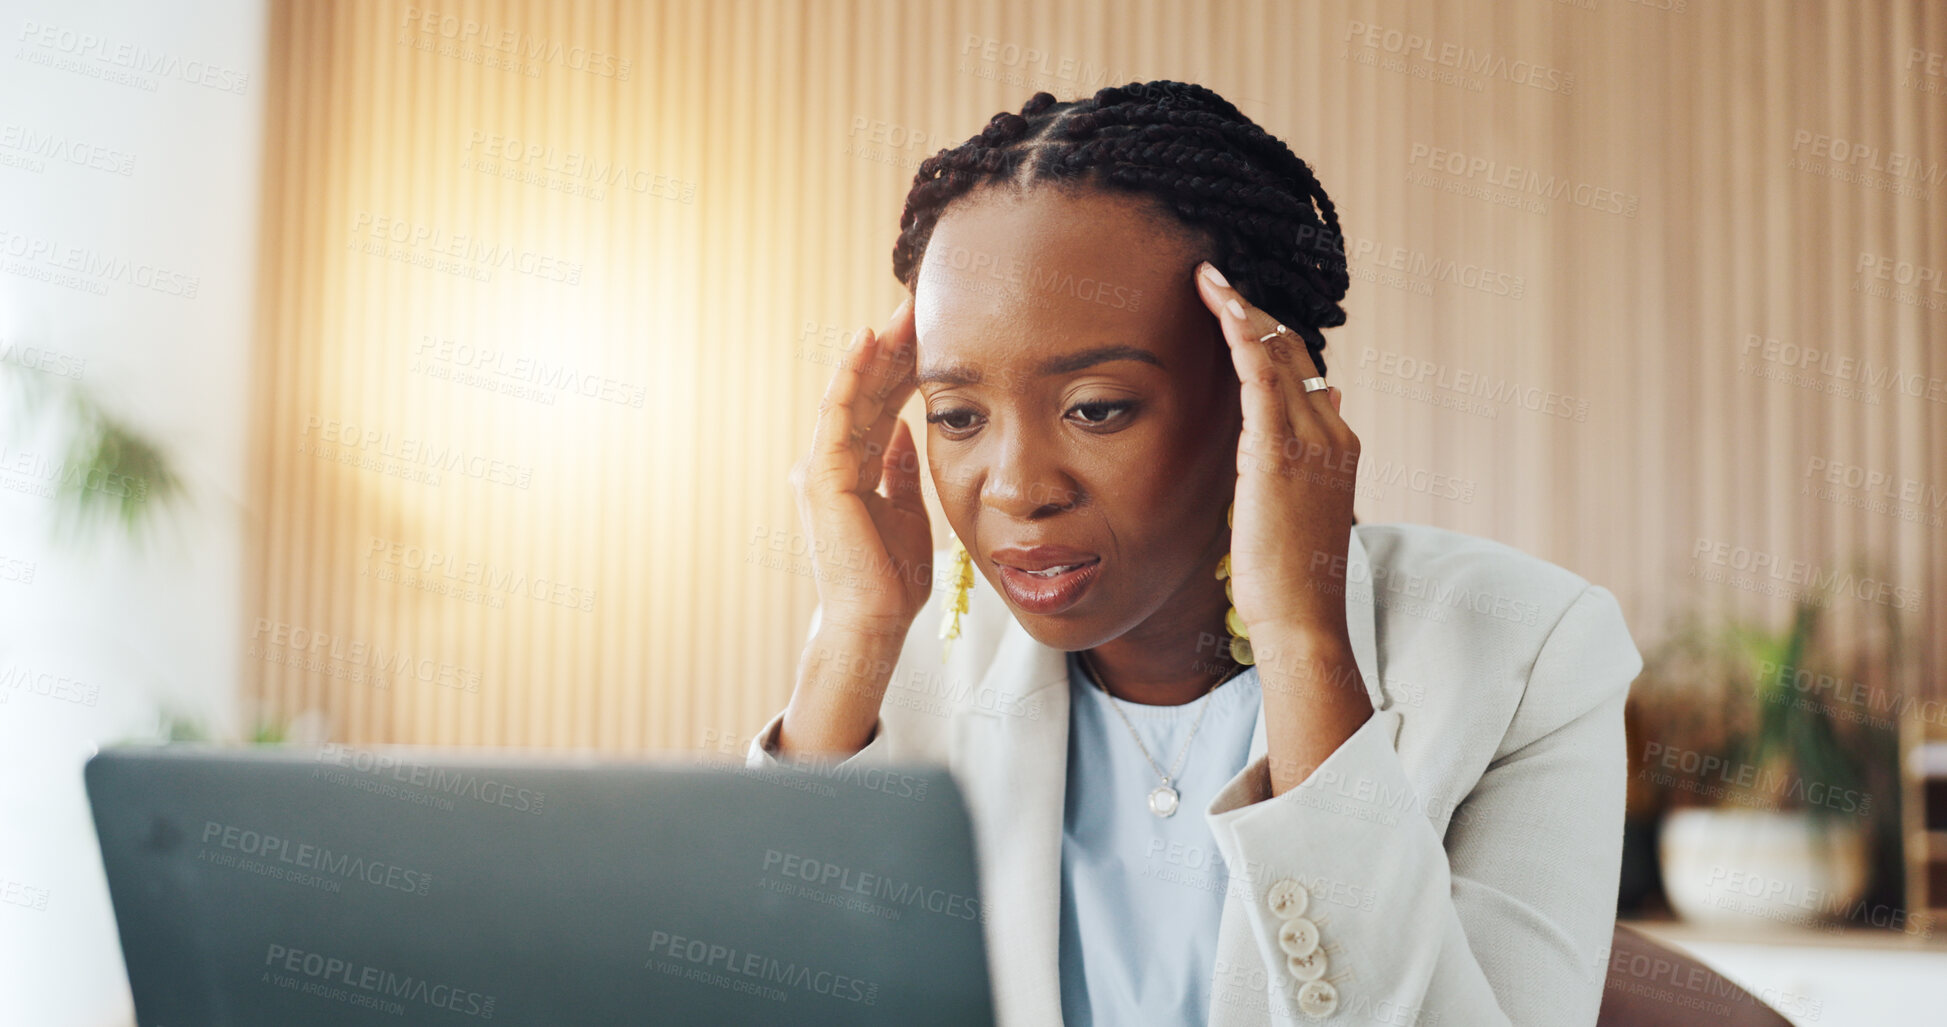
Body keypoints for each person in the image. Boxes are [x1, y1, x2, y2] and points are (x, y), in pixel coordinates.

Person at [746, 80, 1643, 1027]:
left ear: (1261, 394)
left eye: (1095, 407)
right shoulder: (910, 656)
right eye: (956, 415)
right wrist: (854, 633)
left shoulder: (1527, 652)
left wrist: (1303, 637)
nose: (1014, 487)